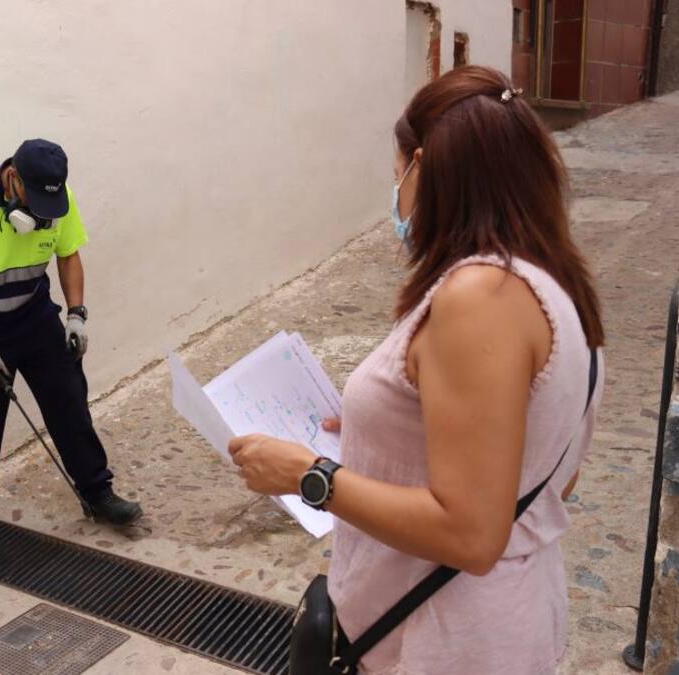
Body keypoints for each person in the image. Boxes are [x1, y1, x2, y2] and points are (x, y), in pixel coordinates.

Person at [229, 66, 605, 674]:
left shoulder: (481, 296)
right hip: (492, 622)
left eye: (396, 173)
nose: (396, 195)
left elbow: (471, 537)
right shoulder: (553, 281)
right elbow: (548, 475)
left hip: (450, 640)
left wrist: (309, 475)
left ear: (423, 168)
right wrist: (381, 438)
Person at [0, 139, 142, 563]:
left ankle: (98, 492)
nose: (47, 212)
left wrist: (77, 314)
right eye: (38, 200)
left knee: (69, 402)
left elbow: (69, 255)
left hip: (34, 315)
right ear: (13, 180)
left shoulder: (57, 199)